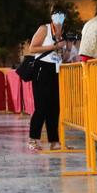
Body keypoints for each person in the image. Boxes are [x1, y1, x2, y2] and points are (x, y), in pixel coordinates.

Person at [26, 10, 71, 151]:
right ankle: (33, 139)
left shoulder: (63, 33)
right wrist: (53, 46)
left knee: (54, 107)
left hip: (56, 69)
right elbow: (32, 48)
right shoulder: (44, 28)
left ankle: (54, 141)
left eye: (62, 15)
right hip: (42, 69)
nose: (59, 18)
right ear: (51, 16)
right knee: (41, 106)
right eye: (56, 14)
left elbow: (63, 57)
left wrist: (68, 48)